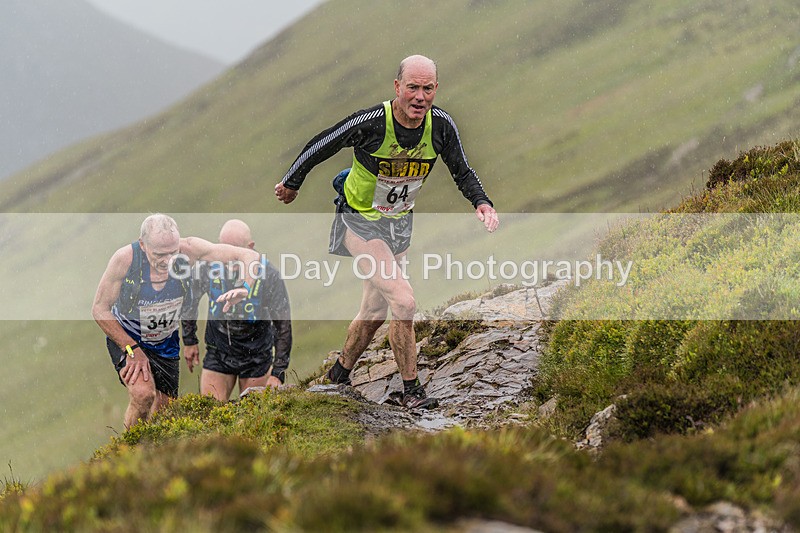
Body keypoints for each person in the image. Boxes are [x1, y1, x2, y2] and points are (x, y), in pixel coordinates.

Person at [274, 55, 499, 409]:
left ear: (436, 89)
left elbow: (462, 170)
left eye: (427, 89)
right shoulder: (374, 122)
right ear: (397, 87)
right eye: (412, 87)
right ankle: (413, 393)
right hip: (359, 221)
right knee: (404, 301)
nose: (420, 97)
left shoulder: (440, 126)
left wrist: (481, 202)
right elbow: (324, 142)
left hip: (398, 225)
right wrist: (292, 182)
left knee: (375, 310)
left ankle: (338, 377)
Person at [92, 214, 262, 428]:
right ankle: (127, 452)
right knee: (144, 396)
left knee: (165, 414)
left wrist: (245, 288)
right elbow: (99, 309)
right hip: (129, 337)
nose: (168, 260)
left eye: (173, 252)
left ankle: (154, 454)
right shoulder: (125, 260)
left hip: (165, 342)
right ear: (143, 245)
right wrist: (131, 348)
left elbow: (248, 256)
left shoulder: (189, 250)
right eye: (160, 254)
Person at [181, 219, 292, 401]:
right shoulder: (208, 267)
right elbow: (189, 303)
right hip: (218, 351)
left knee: (251, 418)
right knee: (211, 414)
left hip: (256, 357)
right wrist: (189, 340)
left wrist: (278, 371)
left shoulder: (268, 274)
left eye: (236, 251)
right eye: (224, 249)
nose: (229, 257)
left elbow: (283, 325)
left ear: (250, 247)